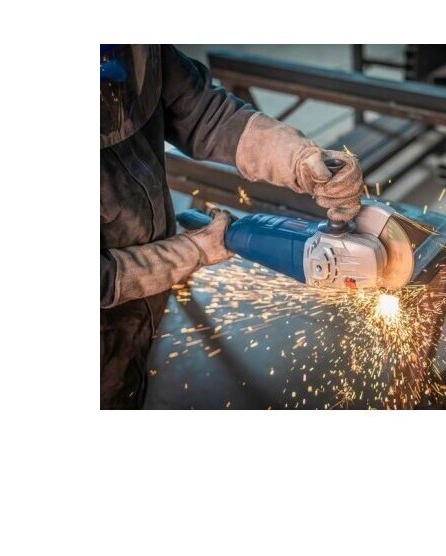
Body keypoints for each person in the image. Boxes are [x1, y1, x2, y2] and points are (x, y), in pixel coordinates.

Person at [100, 45, 363, 409]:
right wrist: (191, 251)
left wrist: (298, 158)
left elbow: (203, 113)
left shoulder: (135, 47)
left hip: (143, 312)